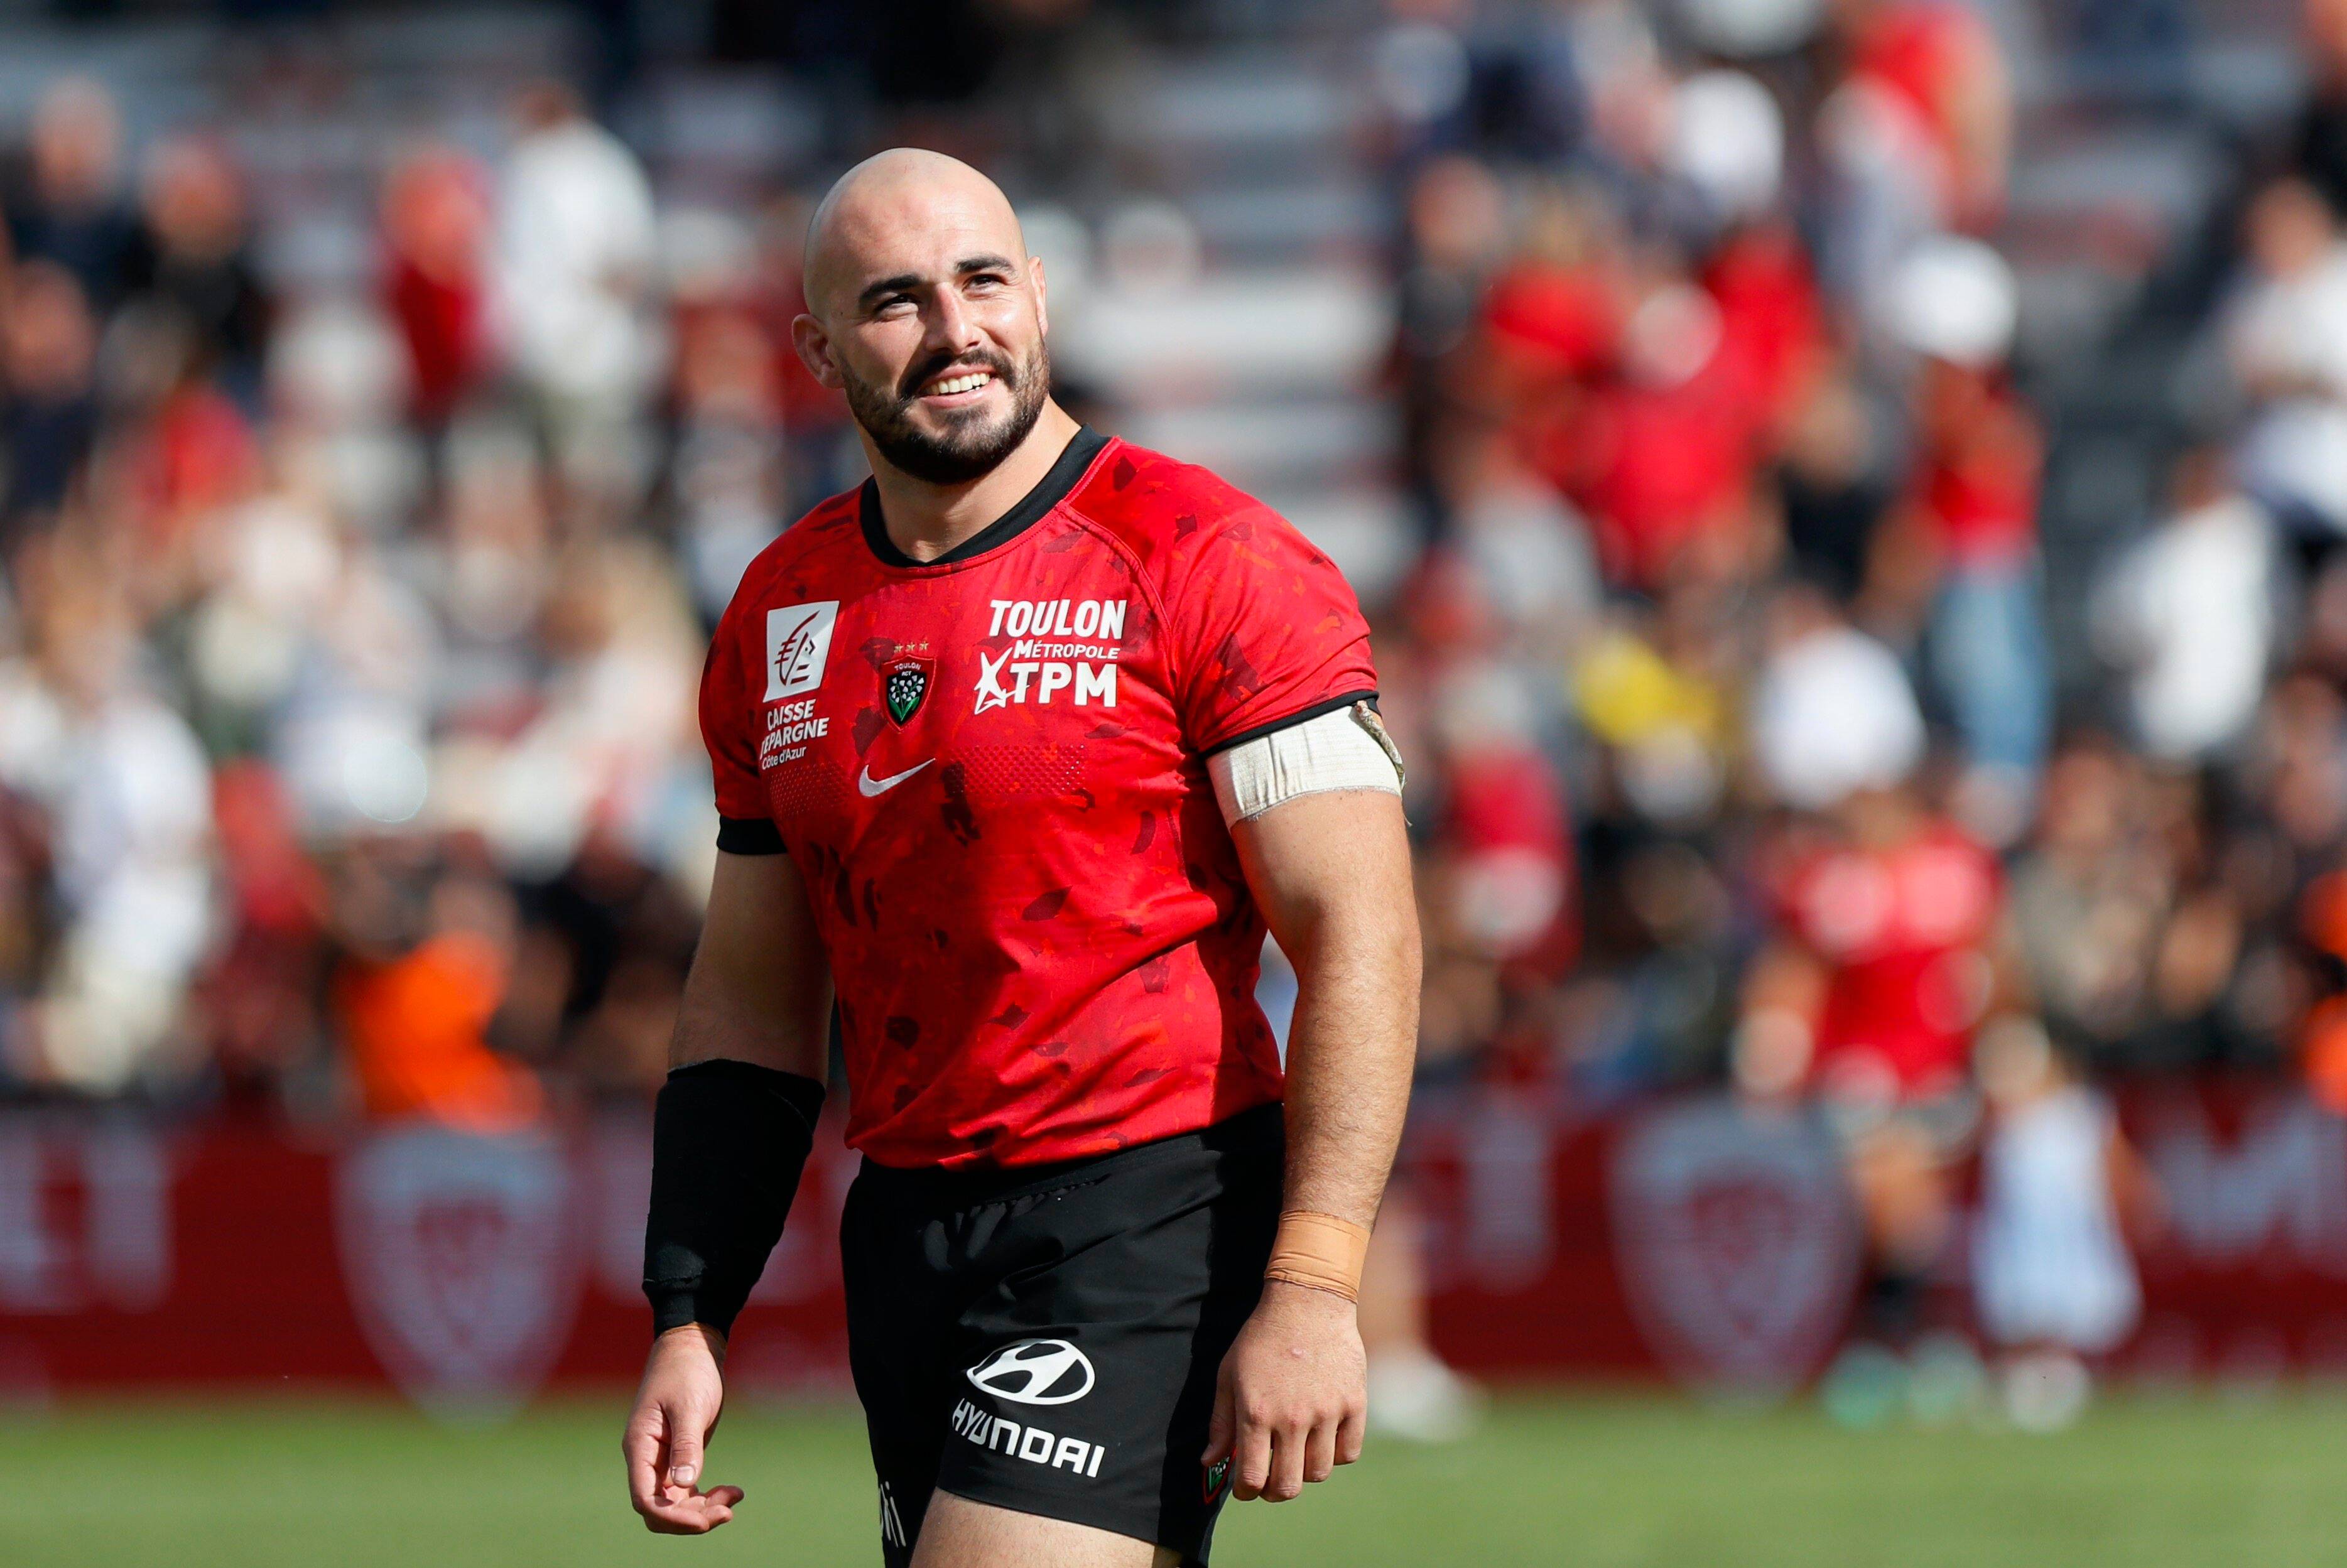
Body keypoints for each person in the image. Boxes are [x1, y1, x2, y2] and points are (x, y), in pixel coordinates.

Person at [619, 149, 1421, 1568]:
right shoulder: (779, 608)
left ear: (1038, 293)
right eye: (895, 300)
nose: (955, 328)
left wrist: (1312, 1284)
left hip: (1146, 1203)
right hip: (909, 1227)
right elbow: (748, 1000)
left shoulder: (1211, 557)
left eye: (984, 279)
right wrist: (694, 1307)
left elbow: (1363, 933)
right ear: (815, 348)